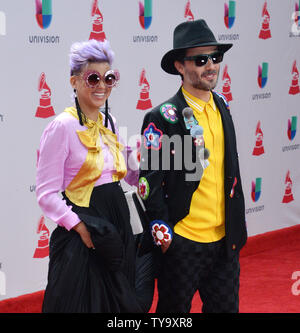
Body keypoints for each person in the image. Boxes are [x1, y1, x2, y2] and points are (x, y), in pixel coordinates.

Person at [36, 39, 154, 313]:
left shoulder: (108, 122)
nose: (102, 85)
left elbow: (131, 173)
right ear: (74, 82)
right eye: (93, 78)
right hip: (84, 232)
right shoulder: (61, 127)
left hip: (117, 227)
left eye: (109, 78)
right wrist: (80, 227)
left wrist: (155, 164)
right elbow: (46, 194)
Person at [139, 19, 247, 313]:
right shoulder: (163, 117)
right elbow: (148, 183)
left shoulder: (222, 105)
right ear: (179, 66)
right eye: (200, 59)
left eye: (215, 57)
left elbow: (231, 170)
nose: (210, 65)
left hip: (225, 243)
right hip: (183, 243)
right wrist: (167, 239)